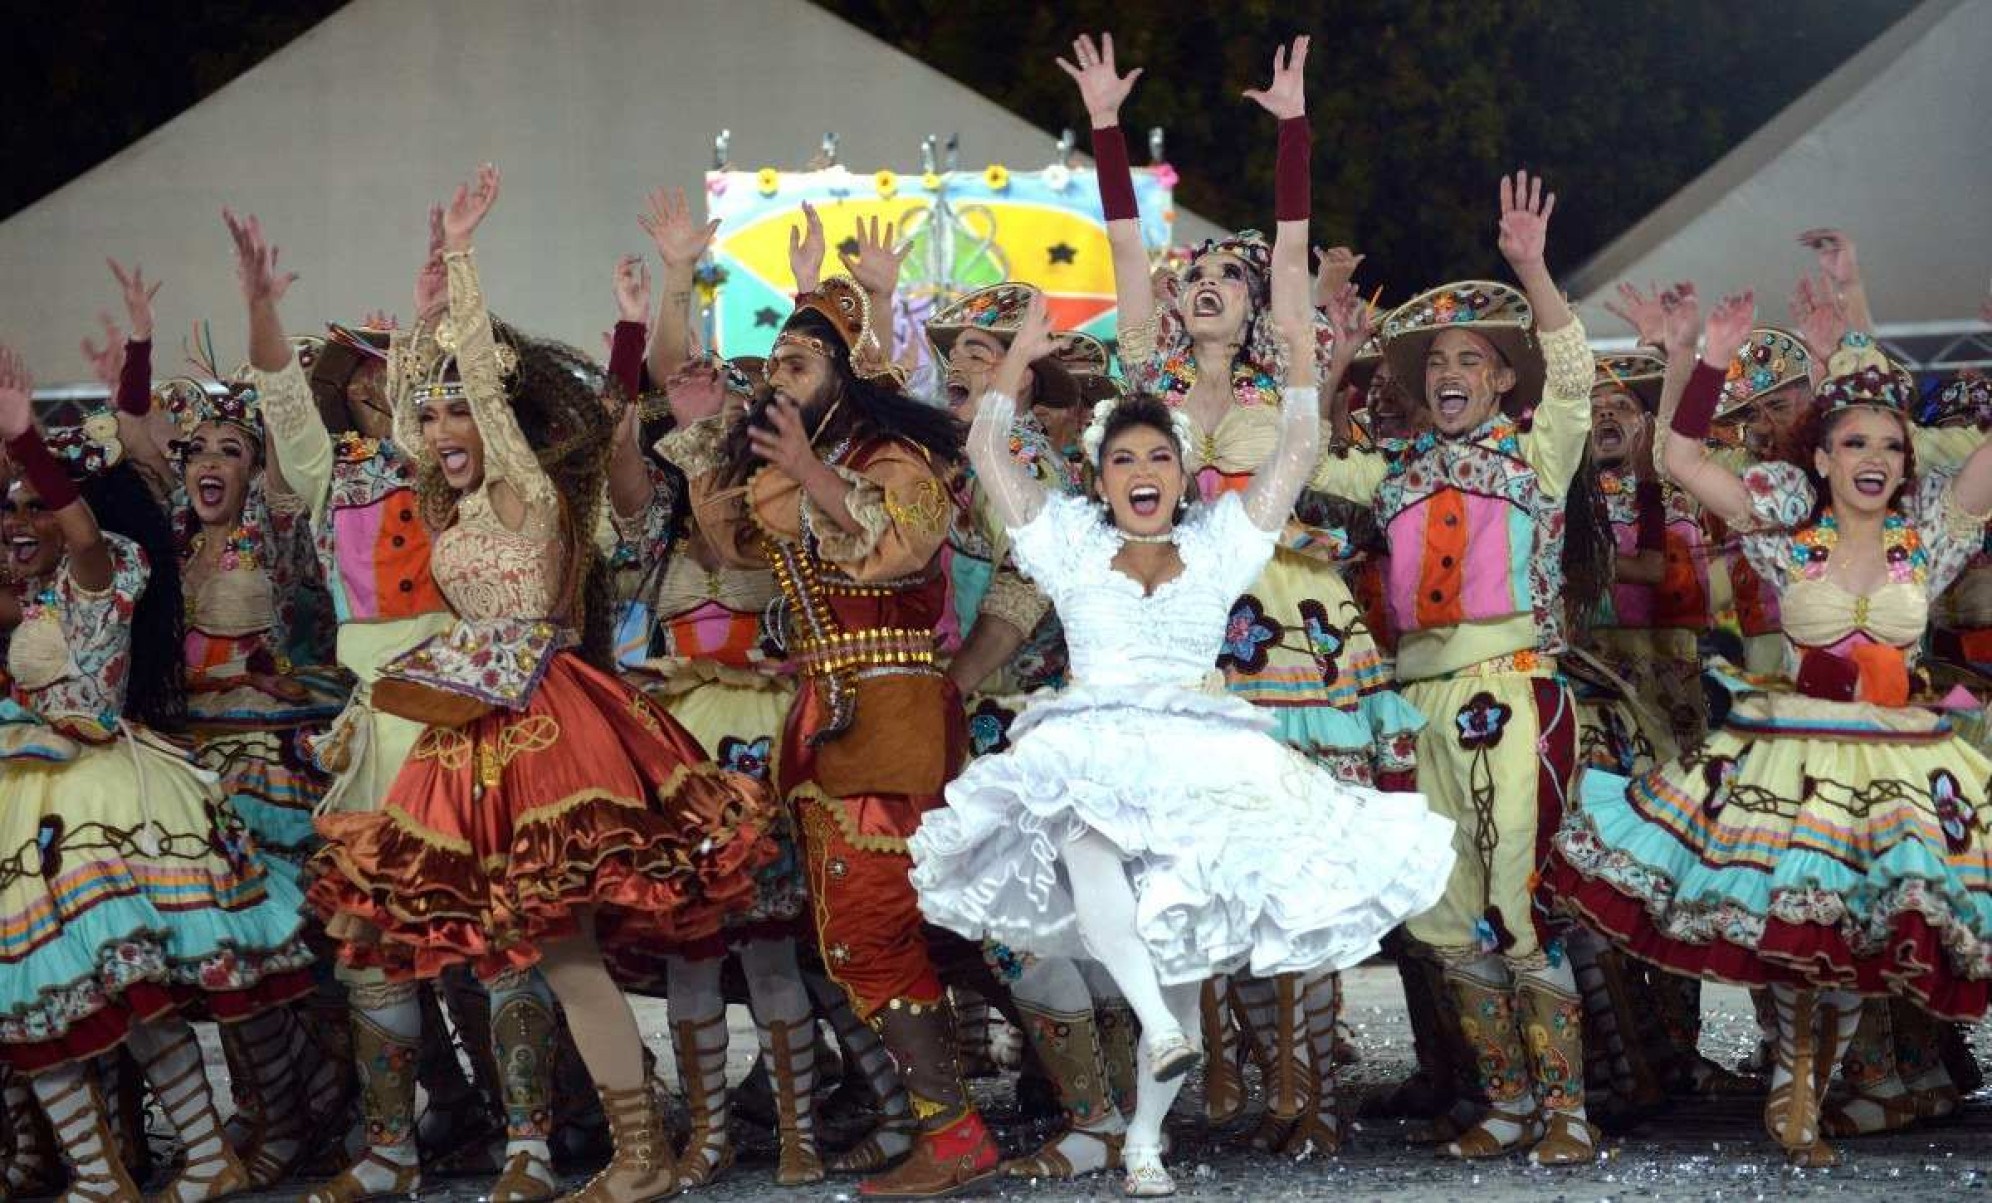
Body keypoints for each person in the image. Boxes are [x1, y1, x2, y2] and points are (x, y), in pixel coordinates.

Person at [911, 275, 1455, 1195]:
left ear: (1181, 470)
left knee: (1181, 958)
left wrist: (1298, 358)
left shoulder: (1222, 543)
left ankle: (1145, 1142)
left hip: (1199, 749)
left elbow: (1303, 444)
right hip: (1091, 735)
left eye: (1156, 458)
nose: (1141, 474)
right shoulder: (1069, 544)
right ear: (1101, 476)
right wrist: (1018, 357)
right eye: (1122, 461)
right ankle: (1156, 1042)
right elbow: (985, 444)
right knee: (1079, 829)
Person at [1066, 31, 1424, 1154]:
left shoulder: (1290, 379)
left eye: (1229, 279)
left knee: (1294, 861)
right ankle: (1226, 1078)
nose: (1210, 289)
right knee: (1191, 857)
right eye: (1195, 282)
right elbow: (1129, 253)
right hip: (1183, 639)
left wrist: (1291, 135)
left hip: (1294, 639)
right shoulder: (1151, 383)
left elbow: (1291, 252)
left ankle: (1305, 1089)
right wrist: (1109, 131)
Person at [1550, 288, 1992, 1166]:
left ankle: (1829, 1094)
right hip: (1797, 758)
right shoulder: (1786, 529)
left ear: (1907, 462)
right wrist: (1706, 357)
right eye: (1855, 442)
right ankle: (1793, 1101)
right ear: (1821, 459)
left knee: (1864, 938)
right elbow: (1677, 456)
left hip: (1906, 764)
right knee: (1802, 939)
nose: (1876, 457)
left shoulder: (1927, 534)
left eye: (1891, 445)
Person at [1308, 170, 1606, 1163]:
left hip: (1510, 692)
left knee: (1515, 900)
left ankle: (1564, 1110)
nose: (1451, 371)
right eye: (1436, 359)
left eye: (1471, 358)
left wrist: (1531, 265)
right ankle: (1508, 1104)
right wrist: (1334, 361)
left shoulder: (1536, 453)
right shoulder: (1388, 470)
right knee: (1441, 915)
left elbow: (1577, 378)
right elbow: (1297, 460)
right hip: (1411, 707)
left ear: (1500, 380)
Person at [0, 344, 316, 1203]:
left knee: (121, 998)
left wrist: (29, 438)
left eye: (38, 505)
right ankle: (131, 1168)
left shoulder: (109, 572)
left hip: (102, 796)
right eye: (12, 508)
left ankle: (225, 1146)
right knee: (68, 1001)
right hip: (35, 799)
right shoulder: (34, 594)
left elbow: (78, 528)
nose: (22, 520)